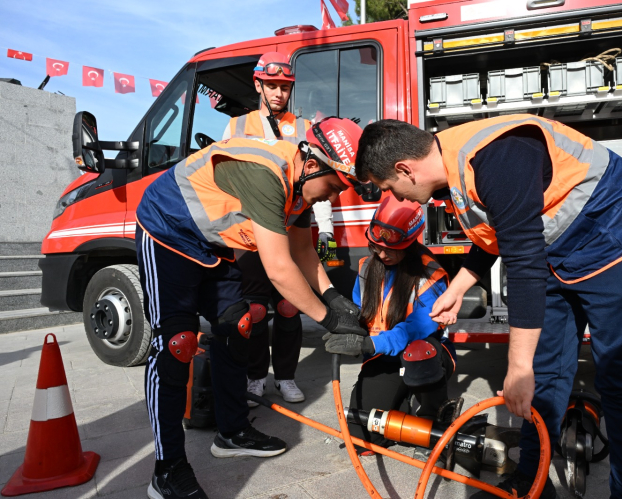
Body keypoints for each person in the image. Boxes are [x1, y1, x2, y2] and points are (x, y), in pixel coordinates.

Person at [353, 115, 622, 499]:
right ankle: (532, 482)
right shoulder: (452, 163)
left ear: (405, 169)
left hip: (614, 235)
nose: (397, 199)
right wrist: (460, 286)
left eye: (390, 188)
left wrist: (517, 366)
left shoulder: (497, 159)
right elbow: (499, 229)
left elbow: (524, 263)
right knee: (545, 374)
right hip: (558, 247)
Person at [136, 117, 366, 499]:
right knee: (176, 343)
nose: (333, 196)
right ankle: (167, 468)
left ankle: (231, 432)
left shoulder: (300, 185)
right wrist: (329, 322)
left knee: (238, 323)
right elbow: (279, 268)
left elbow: (303, 250)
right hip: (167, 230)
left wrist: (334, 299)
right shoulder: (268, 173)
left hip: (211, 242)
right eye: (334, 186)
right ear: (313, 164)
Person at [223, 51, 338, 404]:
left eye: (285, 87)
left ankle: (286, 377)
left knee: (289, 306)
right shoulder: (236, 126)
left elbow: (318, 181)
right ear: (258, 84)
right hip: (249, 233)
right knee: (255, 310)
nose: (278, 93)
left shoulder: (303, 129)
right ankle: (256, 376)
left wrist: (326, 228)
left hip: (291, 229)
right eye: (272, 85)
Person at [324, 195, 455, 460]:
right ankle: (403, 408)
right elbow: (363, 314)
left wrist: (370, 344)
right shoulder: (367, 268)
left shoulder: (430, 275)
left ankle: (435, 419)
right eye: (376, 246)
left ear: (410, 243)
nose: (382, 255)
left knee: (419, 351)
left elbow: (415, 329)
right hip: (384, 356)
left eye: (391, 249)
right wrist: (347, 328)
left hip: (424, 355)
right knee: (362, 440)